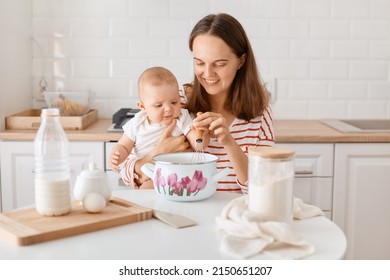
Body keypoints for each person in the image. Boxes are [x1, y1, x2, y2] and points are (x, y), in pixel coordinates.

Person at [121, 13, 274, 193]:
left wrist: (229, 142)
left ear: (241, 61)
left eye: (219, 64)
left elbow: (263, 189)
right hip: (179, 215)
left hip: (231, 216)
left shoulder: (259, 116)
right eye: (200, 63)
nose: (207, 73)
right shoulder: (174, 103)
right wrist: (155, 155)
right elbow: (126, 173)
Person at [109, 66, 208, 189]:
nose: (168, 109)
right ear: (143, 107)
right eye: (158, 105)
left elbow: (197, 142)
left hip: (179, 172)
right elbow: (123, 146)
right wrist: (116, 155)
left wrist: (201, 136)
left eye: (174, 102)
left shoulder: (182, 117)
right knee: (148, 189)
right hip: (150, 172)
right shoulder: (138, 123)